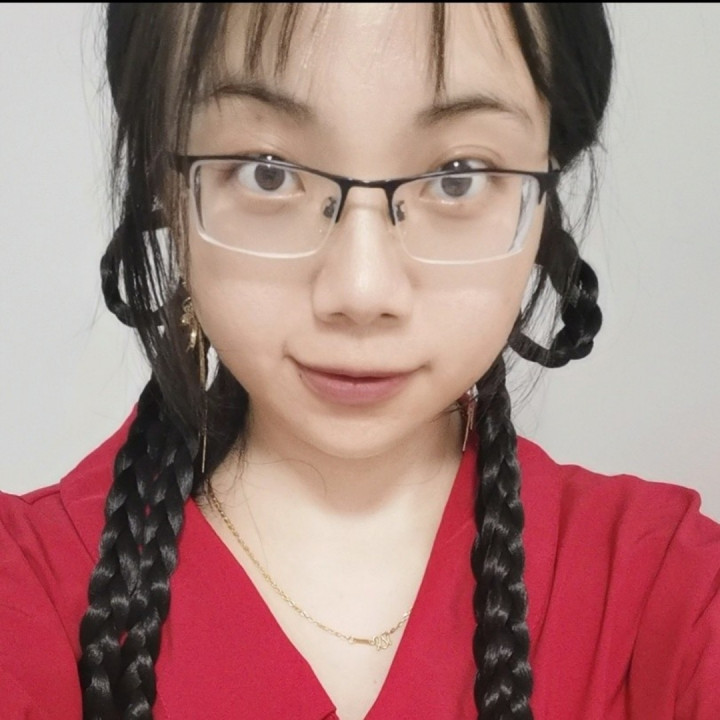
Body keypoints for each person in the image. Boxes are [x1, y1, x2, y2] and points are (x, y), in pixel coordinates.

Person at [0, 3, 718, 719]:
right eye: (267, 173)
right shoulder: (25, 595)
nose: (362, 291)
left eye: (459, 176)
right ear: (164, 183)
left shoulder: (671, 594)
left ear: (545, 199)